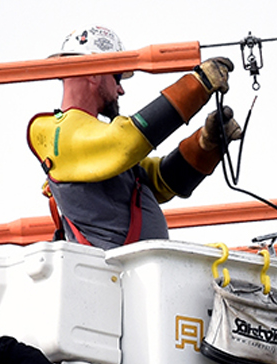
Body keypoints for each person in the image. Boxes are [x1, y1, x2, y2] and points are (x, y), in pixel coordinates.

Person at [28, 25, 245, 249]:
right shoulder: (57, 134)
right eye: (118, 77)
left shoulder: (98, 147)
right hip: (107, 276)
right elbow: (126, 140)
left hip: (138, 275)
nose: (121, 90)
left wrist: (205, 145)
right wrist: (198, 86)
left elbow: (160, 180)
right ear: (93, 73)